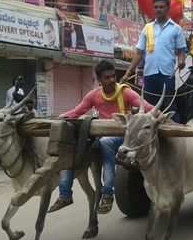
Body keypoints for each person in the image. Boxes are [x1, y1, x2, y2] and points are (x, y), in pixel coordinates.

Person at [50, 60, 154, 214]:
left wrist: (162, 118)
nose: (112, 80)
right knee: (72, 147)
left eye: (113, 76)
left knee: (106, 143)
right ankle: (65, 194)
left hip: (122, 138)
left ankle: (107, 193)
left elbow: (148, 107)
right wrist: (57, 119)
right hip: (101, 136)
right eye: (107, 77)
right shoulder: (94, 95)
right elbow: (76, 112)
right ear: (100, 80)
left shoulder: (125, 92)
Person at [122, 0, 187, 122]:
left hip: (167, 74)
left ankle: (175, 132)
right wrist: (127, 73)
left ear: (168, 8)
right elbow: (139, 53)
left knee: (169, 107)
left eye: (161, 7)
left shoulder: (176, 29)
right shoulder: (148, 28)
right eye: (156, 7)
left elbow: (181, 51)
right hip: (149, 74)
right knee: (147, 108)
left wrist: (181, 60)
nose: (158, 10)